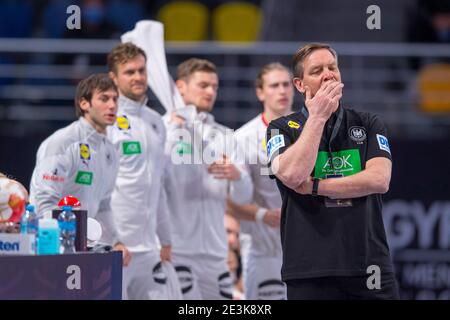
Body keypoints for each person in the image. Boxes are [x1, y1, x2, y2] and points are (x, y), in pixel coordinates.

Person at [266, 43, 399, 300]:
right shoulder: (279, 128)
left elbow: (380, 180)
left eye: (332, 68)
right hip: (309, 270)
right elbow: (292, 175)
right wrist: (317, 117)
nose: (328, 74)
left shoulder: (369, 122)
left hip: (369, 266)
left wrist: (316, 186)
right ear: (300, 84)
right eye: (317, 70)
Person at [164, 58, 253, 299]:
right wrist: (175, 129)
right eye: (203, 85)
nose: (210, 91)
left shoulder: (225, 136)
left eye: (214, 86)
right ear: (180, 87)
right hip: (176, 250)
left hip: (216, 252)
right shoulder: (162, 130)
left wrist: (236, 176)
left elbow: (244, 196)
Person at [29, 73, 130, 261]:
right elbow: (44, 201)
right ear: (84, 104)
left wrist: (116, 241)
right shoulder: (62, 143)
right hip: (49, 248)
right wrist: (62, 243)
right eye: (104, 98)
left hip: (80, 249)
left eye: (115, 99)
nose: (112, 105)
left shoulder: (109, 151)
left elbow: (104, 205)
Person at [107, 43, 174, 300]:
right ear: (113, 77)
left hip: (150, 248)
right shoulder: (108, 122)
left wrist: (165, 238)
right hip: (116, 247)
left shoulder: (155, 122)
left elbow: (158, 188)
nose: (138, 77)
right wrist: (110, 240)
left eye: (141, 70)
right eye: (129, 72)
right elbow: (98, 191)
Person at [227, 62, 294, 300]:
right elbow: (232, 201)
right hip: (262, 247)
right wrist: (262, 215)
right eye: (274, 85)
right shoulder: (243, 138)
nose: (282, 91)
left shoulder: (311, 130)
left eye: (286, 84)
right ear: (260, 92)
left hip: (306, 247)